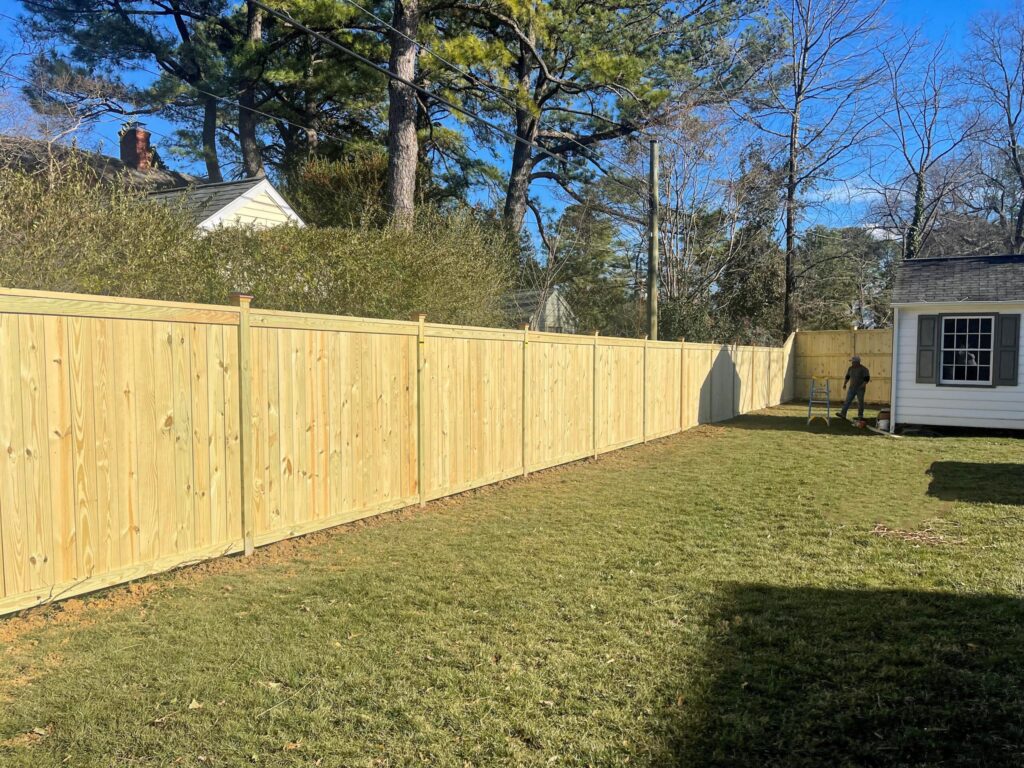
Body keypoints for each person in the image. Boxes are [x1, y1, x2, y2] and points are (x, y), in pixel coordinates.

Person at [838, 355, 870, 420]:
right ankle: (843, 414)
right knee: (847, 401)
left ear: (857, 362)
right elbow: (847, 377)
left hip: (860, 389)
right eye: (852, 362)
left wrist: (862, 385)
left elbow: (867, 379)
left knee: (860, 402)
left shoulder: (864, 369)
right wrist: (845, 384)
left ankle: (860, 416)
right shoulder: (850, 368)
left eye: (853, 362)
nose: (852, 363)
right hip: (851, 388)